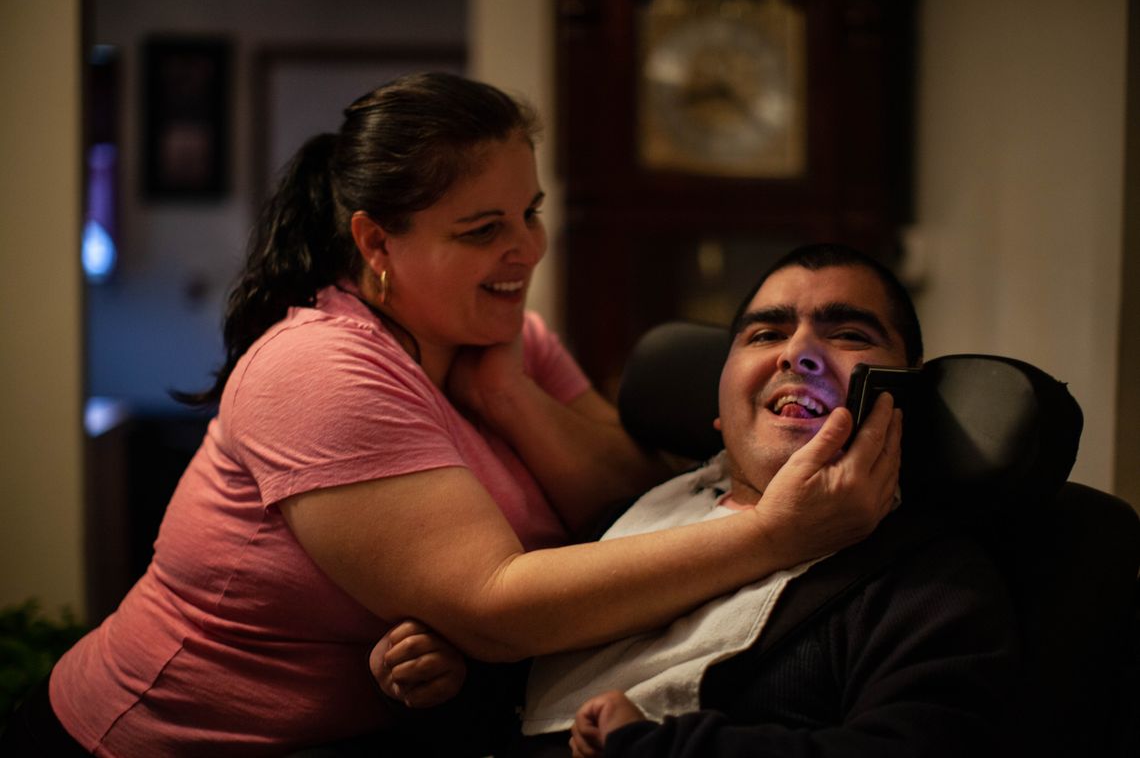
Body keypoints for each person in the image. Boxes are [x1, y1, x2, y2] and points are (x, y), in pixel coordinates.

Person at [0, 75, 902, 756]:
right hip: (144, 741)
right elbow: (496, 609)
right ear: (376, 242)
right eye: (482, 230)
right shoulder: (319, 367)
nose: (527, 251)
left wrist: (508, 394)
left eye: (532, 212)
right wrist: (777, 534)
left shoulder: (501, 336)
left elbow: (629, 501)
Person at [517, 244, 1018, 758]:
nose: (796, 353)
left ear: (906, 394)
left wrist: (650, 746)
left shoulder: (929, 583)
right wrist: (452, 667)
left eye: (849, 334)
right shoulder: (626, 519)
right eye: (766, 334)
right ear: (720, 403)